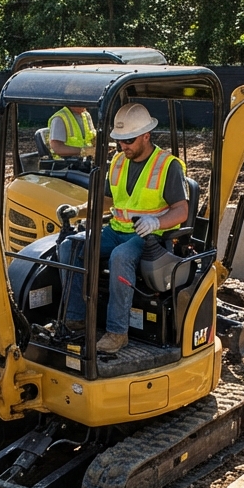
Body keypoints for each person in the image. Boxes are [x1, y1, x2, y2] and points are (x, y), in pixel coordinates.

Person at [60, 103, 188, 354]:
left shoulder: (167, 165)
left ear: (146, 136)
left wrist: (156, 222)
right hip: (116, 231)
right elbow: (107, 201)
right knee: (70, 246)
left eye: (128, 140)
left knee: (120, 257)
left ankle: (117, 333)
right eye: (119, 140)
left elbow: (181, 210)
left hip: (151, 238)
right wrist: (78, 210)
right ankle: (75, 318)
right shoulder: (118, 161)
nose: (123, 146)